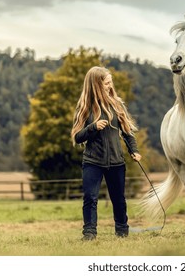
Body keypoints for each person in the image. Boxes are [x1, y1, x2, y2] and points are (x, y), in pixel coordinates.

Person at [71, 66, 141, 240]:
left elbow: (127, 132)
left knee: (119, 199)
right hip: (93, 161)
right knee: (90, 198)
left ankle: (122, 231)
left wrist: (134, 151)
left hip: (116, 162)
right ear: (95, 85)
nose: (110, 86)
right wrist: (92, 127)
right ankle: (89, 233)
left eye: (110, 82)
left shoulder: (117, 104)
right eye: (106, 83)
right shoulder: (85, 107)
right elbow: (78, 137)